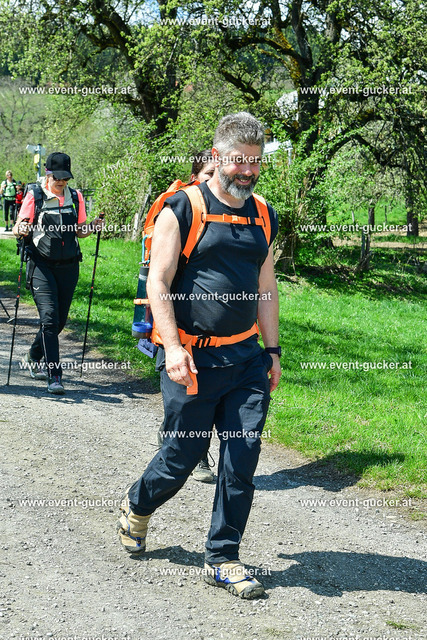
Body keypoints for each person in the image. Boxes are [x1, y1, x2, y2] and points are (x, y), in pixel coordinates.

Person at [118, 112, 281, 599]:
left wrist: (272, 350)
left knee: (241, 460)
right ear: (216, 156)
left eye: (255, 161)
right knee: (181, 458)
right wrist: (171, 347)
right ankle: (138, 504)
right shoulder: (183, 208)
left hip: (246, 360)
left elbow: (267, 287)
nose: (248, 171)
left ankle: (222, 558)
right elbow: (159, 281)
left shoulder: (263, 213)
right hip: (190, 360)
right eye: (238, 161)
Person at [12, 152, 104, 395]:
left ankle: (33, 356)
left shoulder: (76, 197)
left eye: (66, 178)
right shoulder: (35, 195)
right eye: (58, 178)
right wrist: (22, 228)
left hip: (69, 266)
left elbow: (80, 231)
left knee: (59, 322)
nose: (62, 182)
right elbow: (18, 226)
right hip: (41, 265)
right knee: (50, 319)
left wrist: (92, 227)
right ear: (48, 174)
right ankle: (54, 375)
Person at [157, 149, 216, 483]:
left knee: (204, 398)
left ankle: (198, 455)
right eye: (208, 175)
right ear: (195, 178)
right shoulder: (179, 210)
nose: (215, 182)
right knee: (181, 402)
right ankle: (178, 449)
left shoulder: (233, 212)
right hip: (176, 328)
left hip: (217, 334)